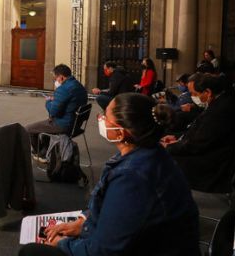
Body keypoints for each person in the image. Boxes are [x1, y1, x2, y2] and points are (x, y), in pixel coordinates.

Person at [18, 93, 199, 256]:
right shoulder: (148, 153)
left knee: (31, 251)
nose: (101, 120)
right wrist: (82, 222)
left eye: (105, 117)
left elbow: (103, 250)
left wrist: (63, 245)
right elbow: (111, 209)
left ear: (121, 132)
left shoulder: (133, 178)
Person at [162, 74, 235, 192]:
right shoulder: (221, 101)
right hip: (213, 152)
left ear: (208, 92)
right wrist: (178, 139)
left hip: (214, 165)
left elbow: (197, 144)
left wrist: (170, 146)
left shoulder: (220, 112)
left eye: (194, 94)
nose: (192, 97)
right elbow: (200, 133)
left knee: (164, 158)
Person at [25, 64, 88, 155]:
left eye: (55, 78)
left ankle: (38, 153)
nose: (55, 81)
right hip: (76, 124)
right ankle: (45, 151)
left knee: (29, 128)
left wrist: (48, 102)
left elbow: (54, 111)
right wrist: (56, 100)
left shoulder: (63, 89)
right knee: (43, 126)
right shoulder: (79, 86)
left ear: (61, 77)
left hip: (64, 125)